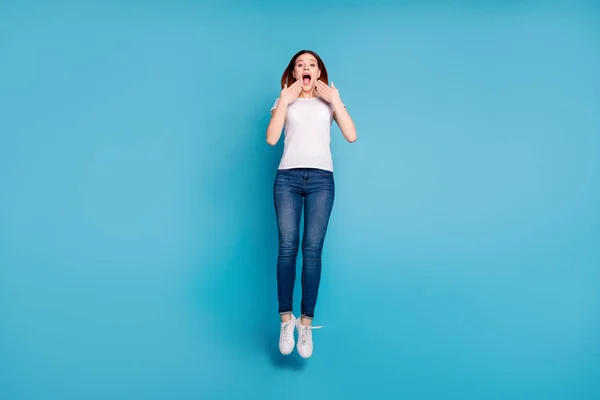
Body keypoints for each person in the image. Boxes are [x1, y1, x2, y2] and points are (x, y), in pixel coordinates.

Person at [266, 50, 357, 358]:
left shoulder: (329, 101)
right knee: (287, 248)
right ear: (294, 73)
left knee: (313, 251)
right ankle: (286, 319)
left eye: (312, 64)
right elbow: (271, 138)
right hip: (287, 179)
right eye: (300, 65)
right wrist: (284, 100)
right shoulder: (284, 102)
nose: (306, 68)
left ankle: (306, 324)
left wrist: (335, 100)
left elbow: (351, 135)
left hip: (321, 180)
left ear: (319, 72)